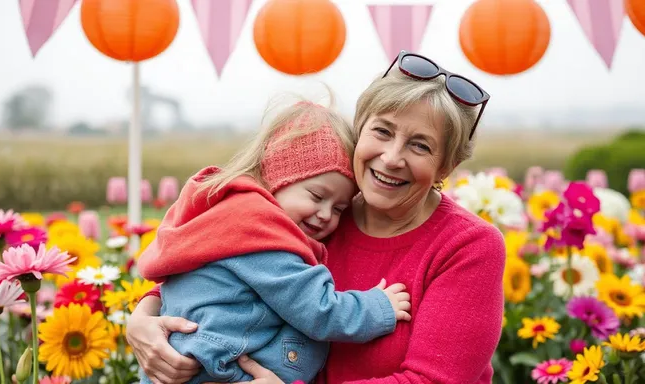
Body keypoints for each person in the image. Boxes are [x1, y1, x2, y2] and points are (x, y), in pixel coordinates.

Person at [127, 51, 505, 384]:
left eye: (420, 145)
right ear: (360, 131)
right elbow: (224, 273)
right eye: (382, 131)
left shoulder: (467, 245)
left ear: (447, 165)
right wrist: (143, 319)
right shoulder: (313, 215)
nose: (391, 157)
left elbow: (434, 381)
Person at [135, 101, 412, 384]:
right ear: (278, 179)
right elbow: (319, 311)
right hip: (213, 364)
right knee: (307, 340)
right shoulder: (264, 236)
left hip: (190, 353)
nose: (326, 214)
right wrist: (378, 308)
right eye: (317, 196)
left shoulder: (228, 214)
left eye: (339, 208)